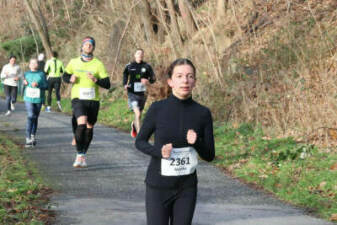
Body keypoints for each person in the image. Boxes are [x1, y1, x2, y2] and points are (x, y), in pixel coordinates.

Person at [135, 58, 215, 225]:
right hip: (158, 186)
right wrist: (159, 152)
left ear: (195, 82)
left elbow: (209, 155)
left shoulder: (203, 113)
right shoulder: (157, 109)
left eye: (189, 76)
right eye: (179, 76)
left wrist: (197, 142)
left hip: (186, 188)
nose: (185, 80)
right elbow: (140, 141)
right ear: (170, 82)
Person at [63, 36, 110, 168]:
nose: (88, 46)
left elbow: (107, 84)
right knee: (81, 124)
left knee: (89, 128)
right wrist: (70, 78)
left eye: (91, 45)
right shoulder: (73, 62)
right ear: (82, 47)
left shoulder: (98, 64)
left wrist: (96, 80)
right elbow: (65, 76)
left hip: (93, 100)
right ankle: (79, 154)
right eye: (86, 44)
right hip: (78, 98)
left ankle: (83, 154)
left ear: (93, 48)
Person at [123, 48, 155, 138]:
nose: (140, 55)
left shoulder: (147, 66)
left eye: (141, 54)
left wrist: (148, 81)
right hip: (132, 93)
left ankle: (134, 125)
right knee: (137, 113)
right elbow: (125, 75)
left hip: (143, 94)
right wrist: (125, 84)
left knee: (139, 114)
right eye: (138, 53)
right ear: (135, 55)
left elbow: (153, 78)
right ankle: (140, 136)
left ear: (143, 55)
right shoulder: (129, 66)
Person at [23, 58, 48, 147]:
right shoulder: (26, 74)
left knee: (35, 117)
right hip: (28, 98)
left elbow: (46, 86)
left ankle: (33, 135)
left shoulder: (41, 74)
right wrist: (23, 83)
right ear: (29, 65)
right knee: (31, 115)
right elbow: (22, 83)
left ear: (37, 65)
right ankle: (27, 138)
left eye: (35, 63)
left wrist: (39, 85)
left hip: (38, 99)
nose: (33, 64)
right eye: (32, 63)